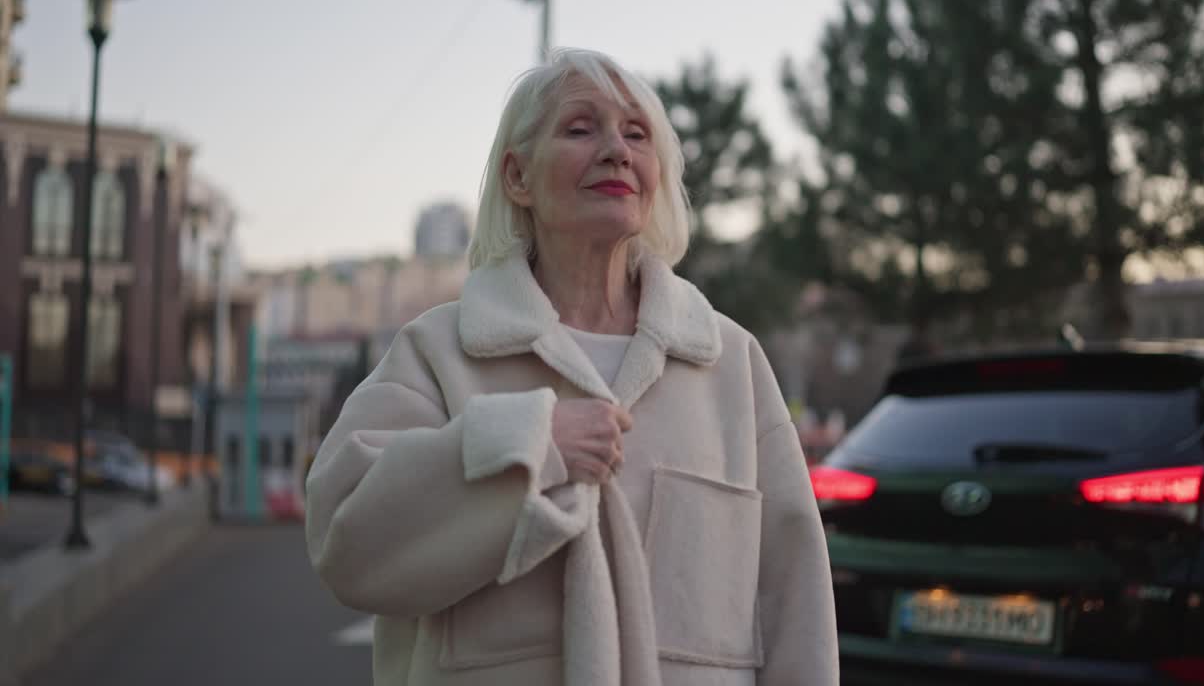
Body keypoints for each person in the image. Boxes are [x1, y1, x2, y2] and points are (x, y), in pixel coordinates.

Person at [305, 48, 837, 686]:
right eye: (581, 128)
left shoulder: (731, 362)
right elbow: (348, 545)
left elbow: (793, 599)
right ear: (517, 176)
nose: (616, 150)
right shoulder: (438, 350)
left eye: (636, 134)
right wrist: (525, 446)